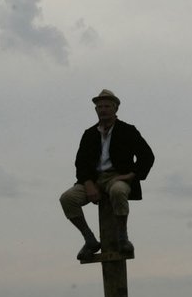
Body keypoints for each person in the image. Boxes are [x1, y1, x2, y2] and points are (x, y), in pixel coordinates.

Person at [59, 89, 155, 261]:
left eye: (107, 106)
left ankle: (122, 237)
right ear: (96, 110)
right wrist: (88, 183)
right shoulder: (89, 134)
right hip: (94, 180)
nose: (103, 109)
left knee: (118, 191)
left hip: (117, 177)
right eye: (99, 106)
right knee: (67, 198)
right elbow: (80, 163)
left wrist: (130, 175)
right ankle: (90, 240)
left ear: (115, 108)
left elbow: (147, 156)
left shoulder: (127, 130)